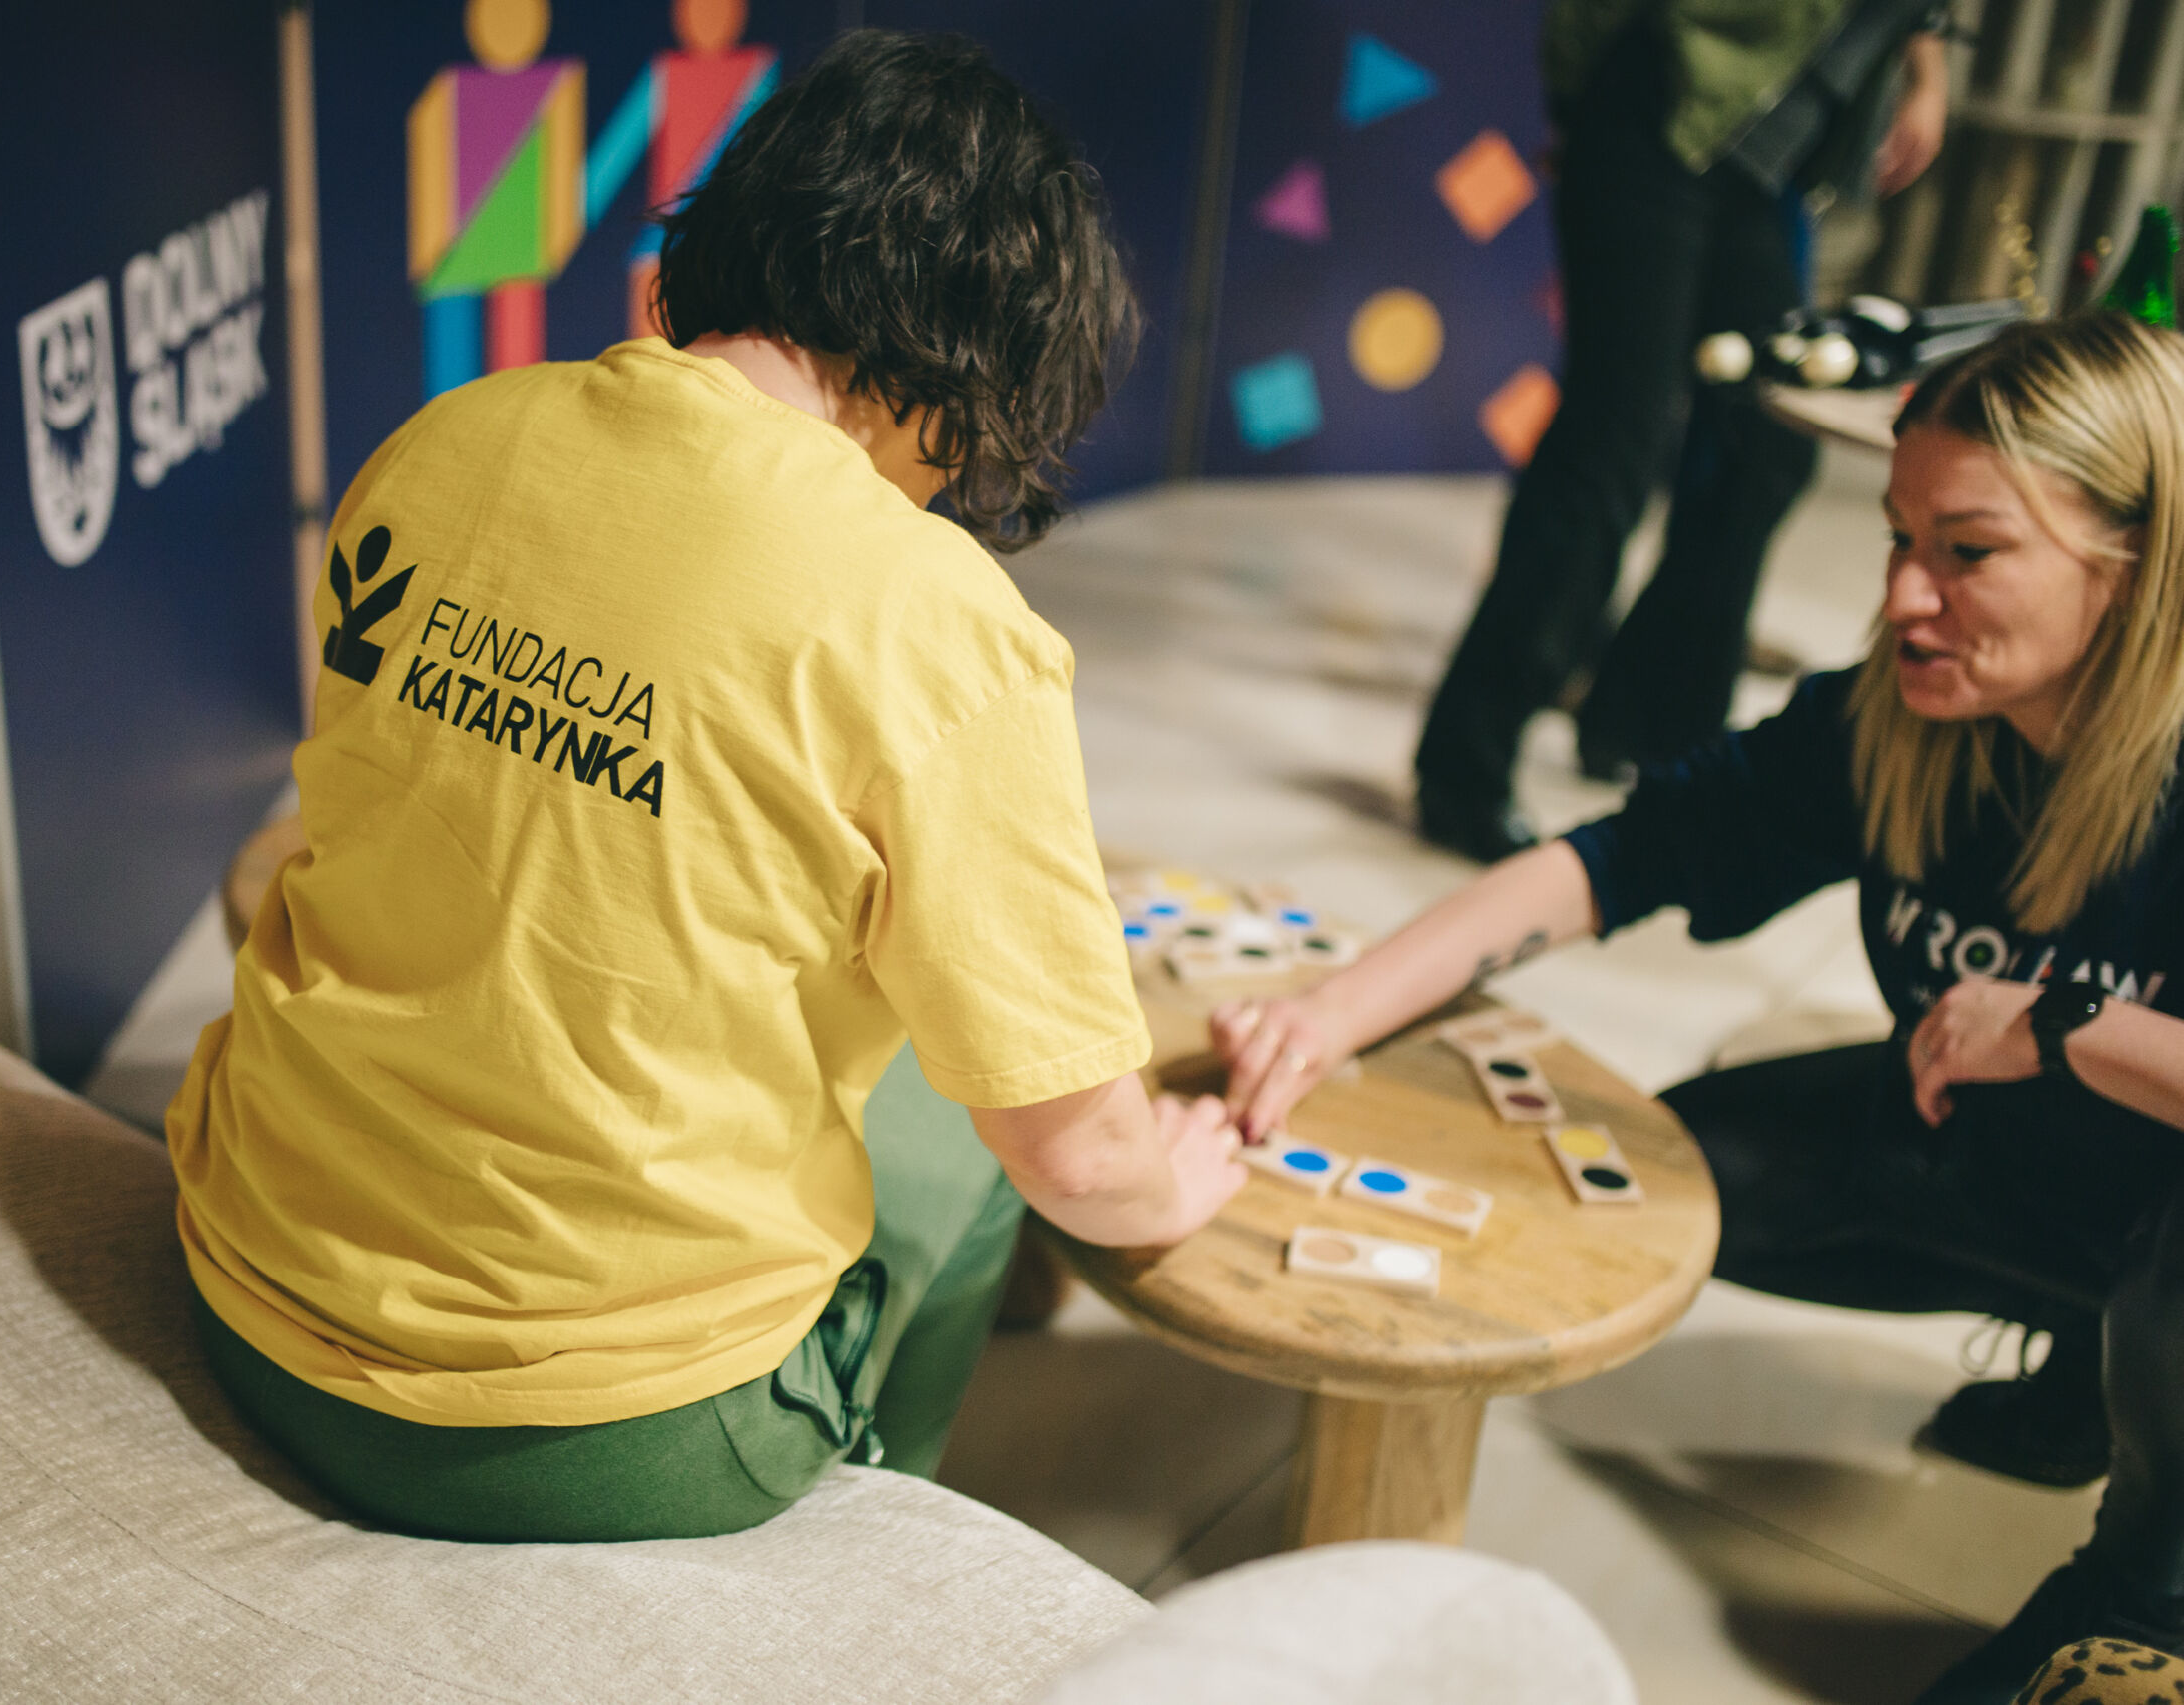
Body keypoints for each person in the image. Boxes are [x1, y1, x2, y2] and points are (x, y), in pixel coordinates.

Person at [167, 31, 1246, 1545]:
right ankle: (868, 1530)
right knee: (981, 1144)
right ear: (973, 353)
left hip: (244, 1272)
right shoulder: (934, 617)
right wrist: (1171, 1183)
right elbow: (1076, 1151)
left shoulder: (445, 439)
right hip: (580, 1434)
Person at [1221, 312, 2184, 1703]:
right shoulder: (1898, 717)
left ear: (2133, 562)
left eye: (1967, 552)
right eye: (1897, 540)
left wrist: (2062, 1022)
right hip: (2030, 1160)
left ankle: (2147, 1581)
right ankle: (2086, 1367)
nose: (1905, 596)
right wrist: (1327, 1014)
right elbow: (1617, 859)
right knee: (1675, 1177)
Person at [1414, 0, 1953, 862]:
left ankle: (1649, 729)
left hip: (1768, 166)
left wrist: (1926, 65)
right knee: (1613, 447)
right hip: (1661, 113)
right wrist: (1578, 103)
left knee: (1768, 447)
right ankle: (1463, 767)